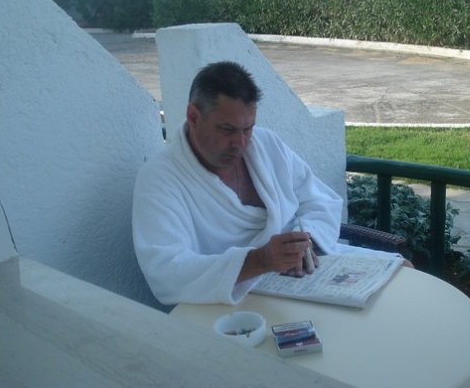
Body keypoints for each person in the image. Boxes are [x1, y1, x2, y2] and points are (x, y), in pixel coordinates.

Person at [132, 61, 405, 305]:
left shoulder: (266, 144)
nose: (240, 143)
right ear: (193, 117)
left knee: (404, 272)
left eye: (247, 128)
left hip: (307, 272)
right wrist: (259, 261)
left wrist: (304, 243)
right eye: (227, 130)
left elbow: (321, 200)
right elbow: (166, 271)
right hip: (233, 296)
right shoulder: (160, 178)